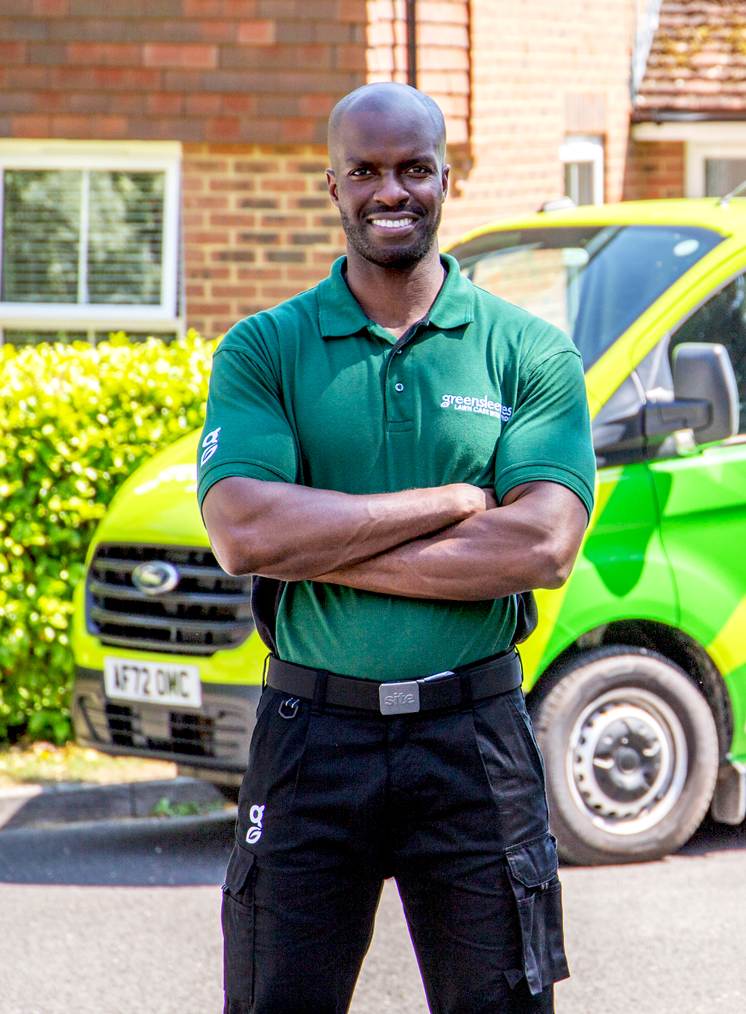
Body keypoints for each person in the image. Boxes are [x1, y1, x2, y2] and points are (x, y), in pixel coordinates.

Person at [198, 81, 596, 1014]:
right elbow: (245, 531)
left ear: (446, 180)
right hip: (311, 735)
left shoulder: (528, 352)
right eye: (366, 171)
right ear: (332, 185)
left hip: (473, 738)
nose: (391, 191)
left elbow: (541, 546)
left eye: (414, 169)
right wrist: (450, 503)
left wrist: (316, 545)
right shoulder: (265, 349)